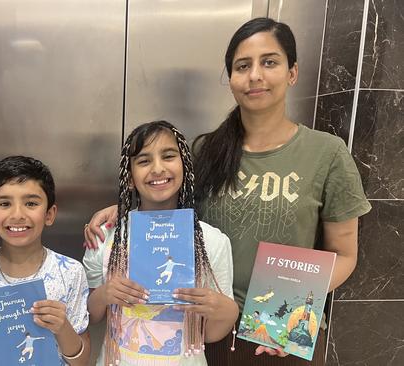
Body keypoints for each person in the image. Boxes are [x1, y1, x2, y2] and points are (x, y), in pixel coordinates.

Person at [84, 18, 371, 365]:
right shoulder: (206, 150)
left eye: (269, 62)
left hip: (278, 334)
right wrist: (123, 209)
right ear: (231, 80)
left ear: (292, 72)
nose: (255, 76)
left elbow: (345, 254)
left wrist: (285, 315)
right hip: (205, 330)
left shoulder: (326, 153)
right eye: (242, 66)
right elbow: (166, 196)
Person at [83, 121, 238, 366]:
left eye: (168, 156)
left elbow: (212, 334)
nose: (157, 168)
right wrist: (105, 294)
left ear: (185, 167)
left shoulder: (212, 242)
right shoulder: (106, 238)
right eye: (144, 161)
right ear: (130, 178)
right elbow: (90, 316)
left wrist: (225, 309)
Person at [0, 156, 90, 365]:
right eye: (5, 203)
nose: (17, 214)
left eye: (31, 203)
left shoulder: (71, 272)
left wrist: (63, 327)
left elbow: (81, 361)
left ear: (50, 214)